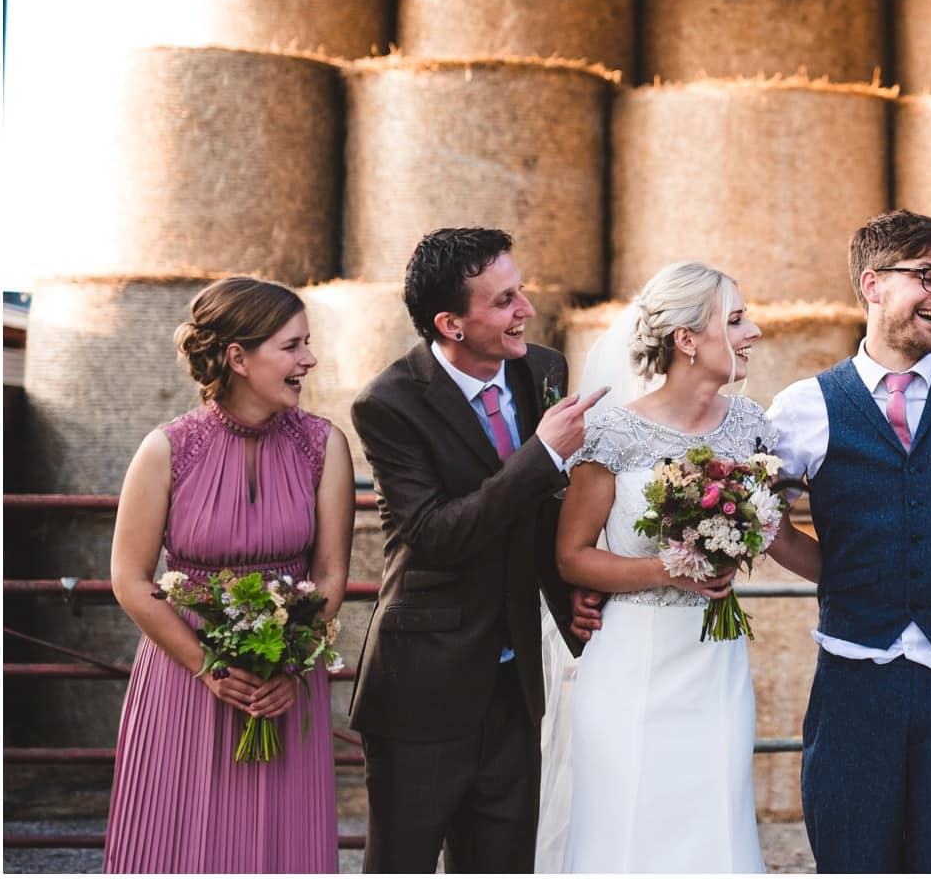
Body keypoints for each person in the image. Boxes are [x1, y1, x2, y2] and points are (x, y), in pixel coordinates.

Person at [766, 209, 931, 872]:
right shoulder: (803, 406)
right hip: (852, 681)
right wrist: (837, 575)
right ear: (873, 284)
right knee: (853, 856)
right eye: (929, 276)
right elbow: (762, 519)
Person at [348, 228, 604, 873]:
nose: (525, 311)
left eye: (520, 292)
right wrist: (542, 454)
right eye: (504, 301)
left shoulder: (544, 370)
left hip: (515, 683)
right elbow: (436, 534)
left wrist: (568, 588)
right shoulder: (389, 404)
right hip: (423, 685)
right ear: (451, 324)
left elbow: (540, 514)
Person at [104, 276, 354, 872]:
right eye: (292, 346)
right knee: (177, 842)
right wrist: (208, 667)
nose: (309, 359)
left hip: (284, 683)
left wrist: (288, 667)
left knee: (279, 847)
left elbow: (329, 573)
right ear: (239, 357)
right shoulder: (165, 450)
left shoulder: (326, 446)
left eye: (308, 343)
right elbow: (129, 578)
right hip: (185, 679)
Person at [551, 261, 772, 872]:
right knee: (626, 825)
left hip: (714, 659)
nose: (752, 331)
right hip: (631, 659)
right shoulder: (614, 433)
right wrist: (669, 573)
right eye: (735, 319)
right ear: (687, 340)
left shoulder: (753, 428)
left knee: (716, 819)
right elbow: (572, 557)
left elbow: (776, 529)